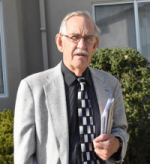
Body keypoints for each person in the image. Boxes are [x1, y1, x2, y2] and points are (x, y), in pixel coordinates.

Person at [14, 11, 129, 164]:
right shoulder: (32, 88)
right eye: (74, 37)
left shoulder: (110, 84)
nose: (82, 45)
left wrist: (116, 144)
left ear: (95, 45)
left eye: (88, 38)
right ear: (60, 42)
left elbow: (120, 129)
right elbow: (24, 157)